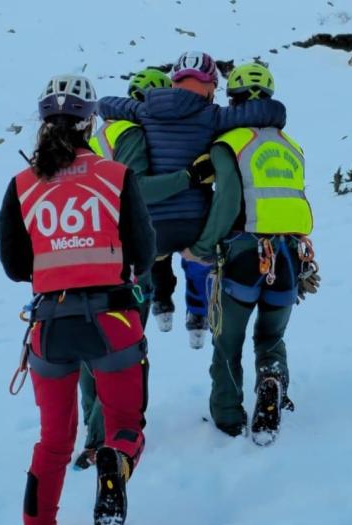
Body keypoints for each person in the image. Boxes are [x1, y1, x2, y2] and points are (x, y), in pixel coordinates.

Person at [0, 74, 156, 525]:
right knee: (126, 423)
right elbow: (144, 252)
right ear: (89, 123)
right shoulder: (114, 176)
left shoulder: (23, 184)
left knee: (53, 441)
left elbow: (13, 265)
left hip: (50, 327)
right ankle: (115, 459)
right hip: (113, 323)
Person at [97, 51, 287, 350]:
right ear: (211, 86)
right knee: (211, 261)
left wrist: (132, 105)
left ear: (173, 83)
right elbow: (265, 112)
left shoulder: (144, 112)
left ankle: (136, 340)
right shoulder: (212, 116)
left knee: (141, 285)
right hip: (195, 226)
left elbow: (107, 103)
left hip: (151, 230)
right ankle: (206, 321)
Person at [73, 68, 213, 470]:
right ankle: (106, 436)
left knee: (90, 348)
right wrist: (188, 178)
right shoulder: (129, 135)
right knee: (122, 348)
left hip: (85, 252)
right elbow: (137, 188)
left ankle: (93, 429)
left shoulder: (95, 135)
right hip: (123, 259)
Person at [181, 63, 320, 444]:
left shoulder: (231, 142)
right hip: (290, 256)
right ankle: (273, 381)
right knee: (271, 339)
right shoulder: (291, 146)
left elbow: (226, 201)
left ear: (233, 98)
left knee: (228, 343)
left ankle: (228, 416)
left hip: (242, 255)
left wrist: (201, 248)